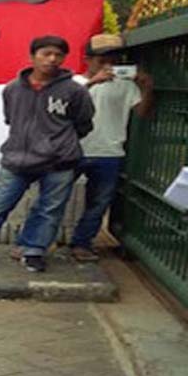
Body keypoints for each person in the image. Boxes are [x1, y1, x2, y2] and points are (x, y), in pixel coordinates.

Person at [0, 35, 95, 272]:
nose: (52, 59)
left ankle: (32, 250)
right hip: (17, 158)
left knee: (49, 210)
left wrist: (59, 144)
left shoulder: (74, 91)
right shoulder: (12, 88)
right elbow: (11, 119)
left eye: (58, 55)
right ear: (32, 57)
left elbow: (84, 123)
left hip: (59, 162)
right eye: (46, 53)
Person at [69, 34, 153, 261]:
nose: (109, 64)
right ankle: (36, 243)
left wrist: (146, 87)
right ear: (88, 59)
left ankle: (82, 243)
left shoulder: (125, 85)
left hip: (110, 152)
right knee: (53, 198)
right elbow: (66, 106)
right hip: (72, 150)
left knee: (98, 203)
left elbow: (142, 112)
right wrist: (93, 82)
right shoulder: (73, 83)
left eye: (114, 58)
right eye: (102, 59)